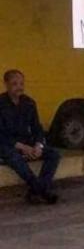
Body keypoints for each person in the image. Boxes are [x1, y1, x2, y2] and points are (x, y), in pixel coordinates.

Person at [0, 69, 60, 204]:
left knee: (54, 154)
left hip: (26, 142)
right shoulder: (1, 104)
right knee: (14, 157)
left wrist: (38, 145)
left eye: (21, 83)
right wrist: (22, 147)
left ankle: (36, 191)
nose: (19, 87)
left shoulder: (29, 103)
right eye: (14, 84)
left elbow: (37, 128)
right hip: (6, 144)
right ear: (6, 84)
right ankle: (41, 189)